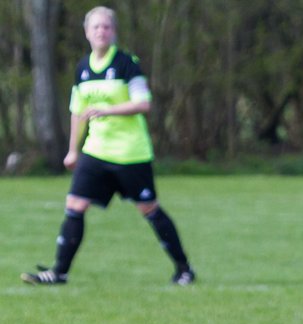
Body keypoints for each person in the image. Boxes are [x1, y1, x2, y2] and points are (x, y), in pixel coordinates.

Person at [22, 6, 194, 287]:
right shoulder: (83, 68)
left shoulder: (127, 63)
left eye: (107, 27)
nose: (101, 32)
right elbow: (78, 112)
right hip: (96, 152)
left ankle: (184, 268)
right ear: (87, 32)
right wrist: (73, 150)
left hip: (130, 153)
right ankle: (59, 272)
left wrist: (108, 110)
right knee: (74, 205)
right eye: (96, 27)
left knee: (148, 208)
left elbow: (143, 103)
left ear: (114, 32)